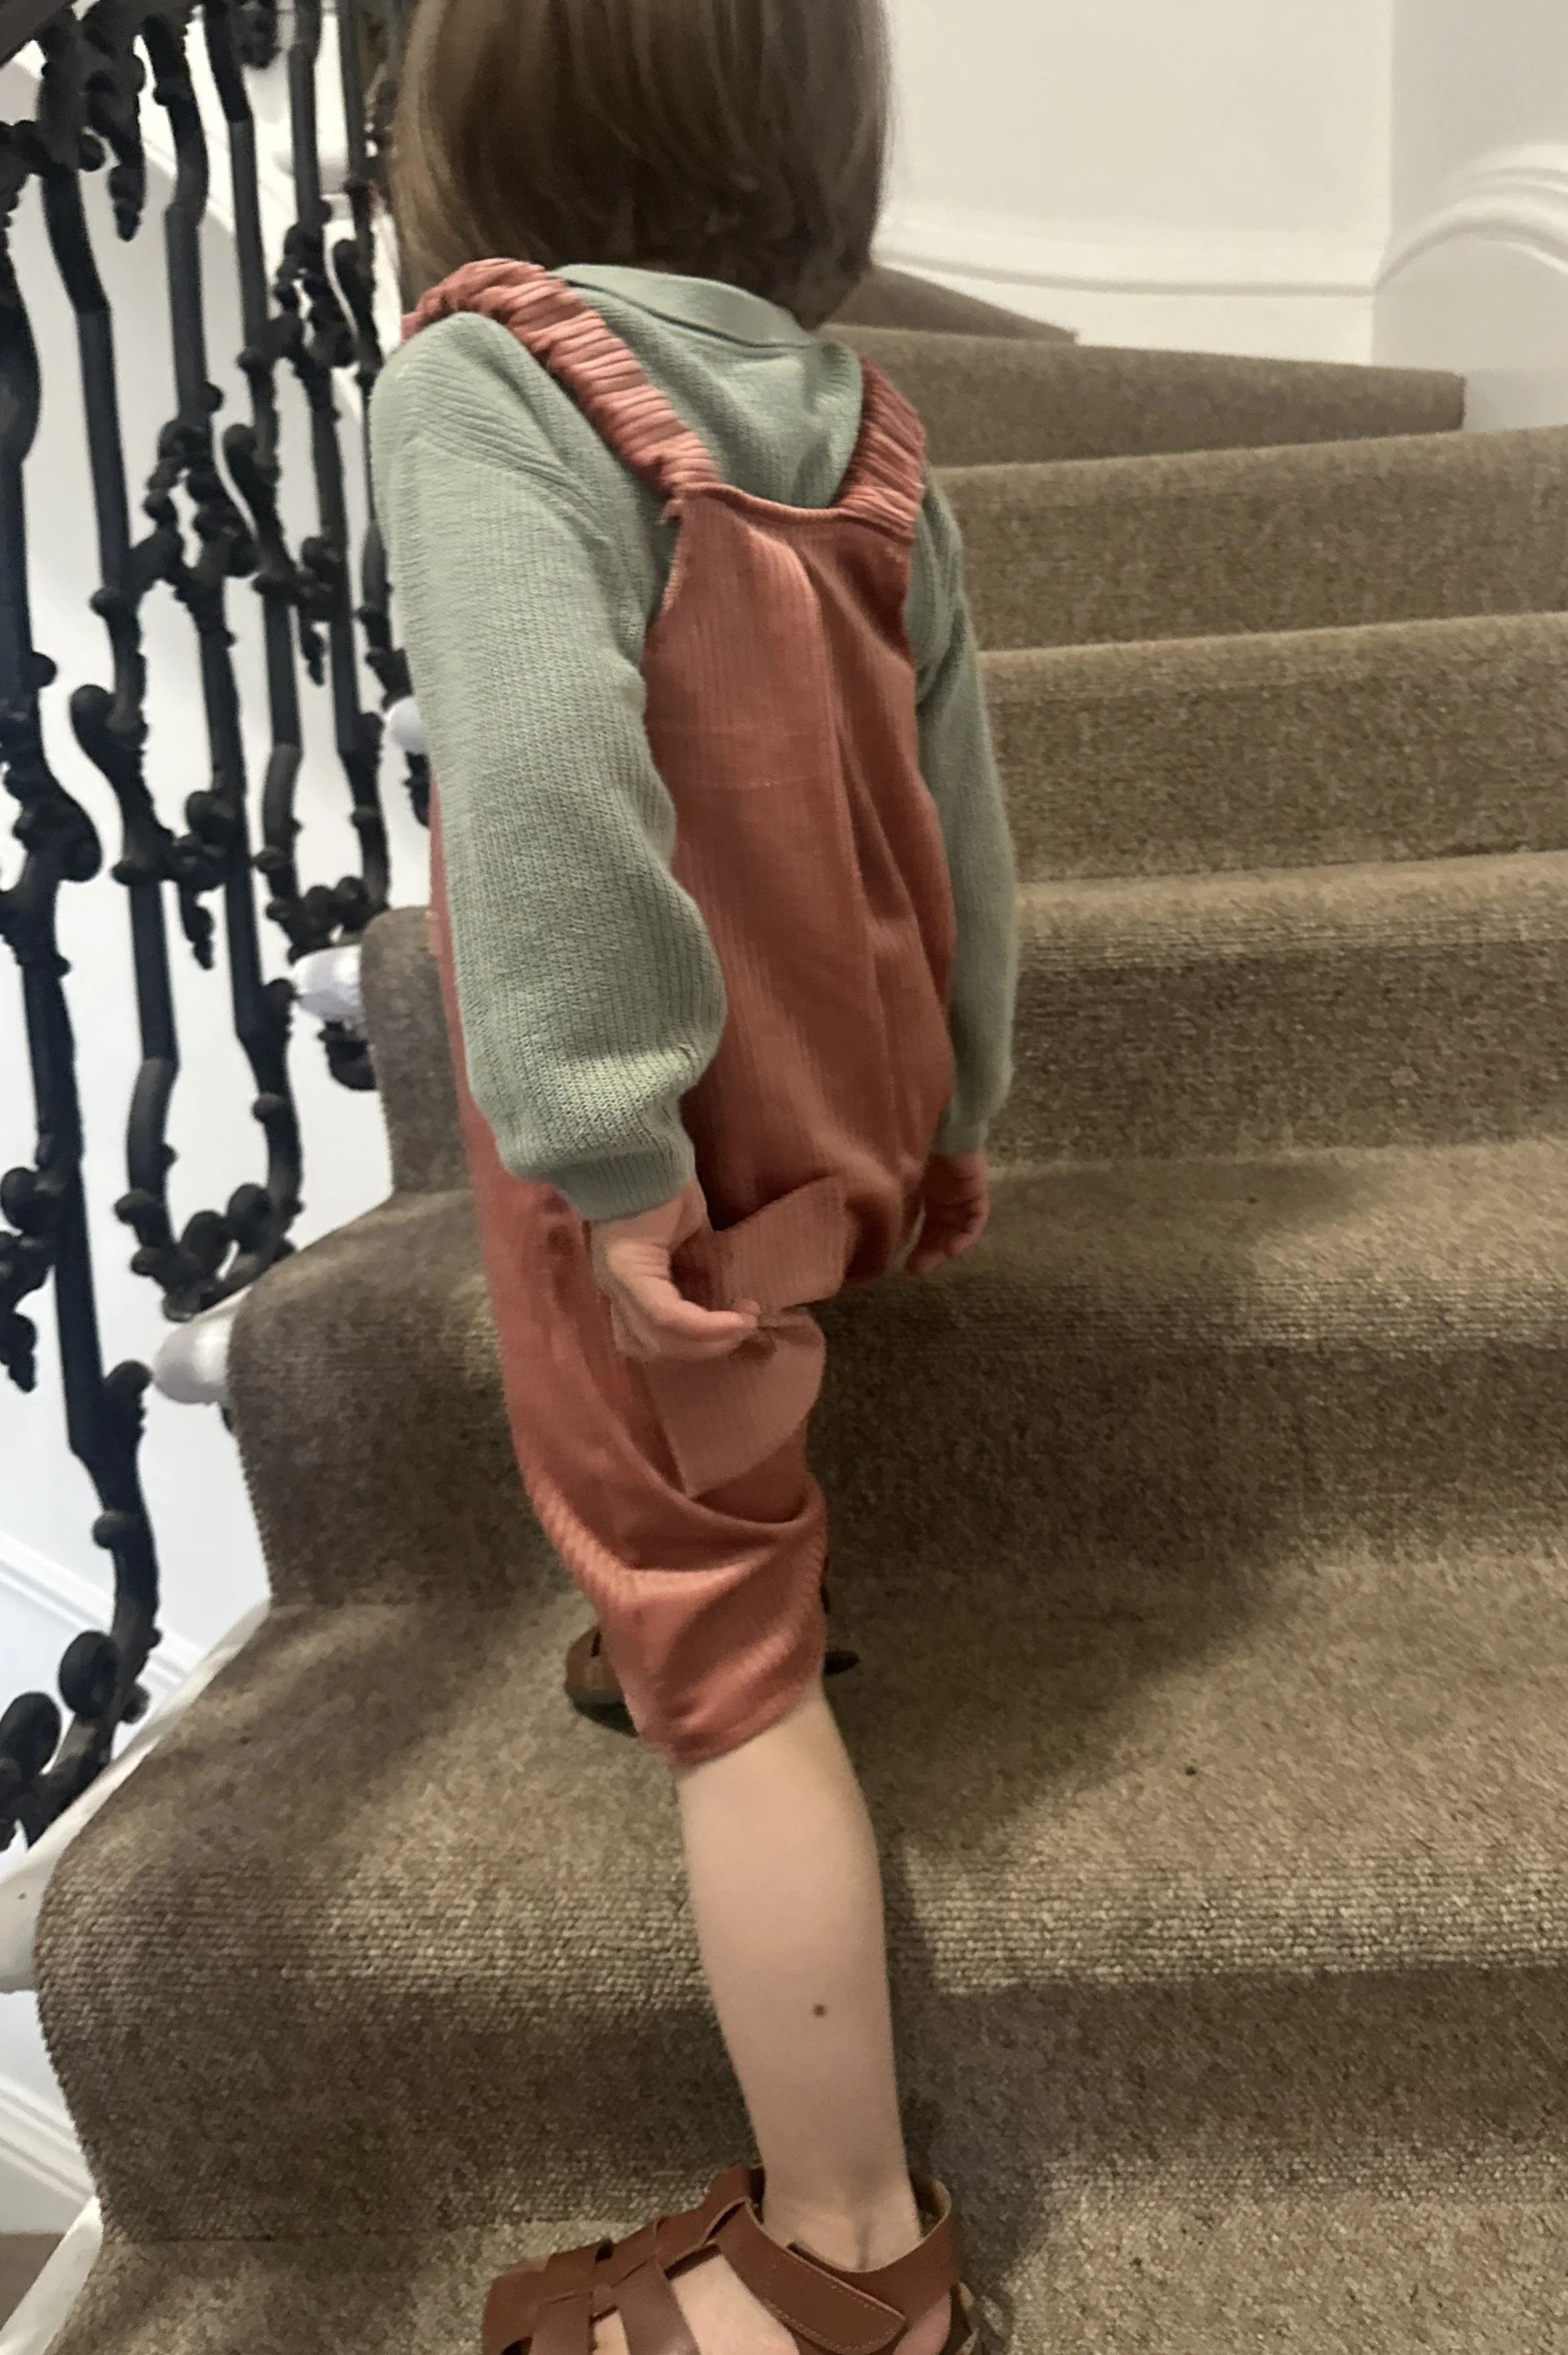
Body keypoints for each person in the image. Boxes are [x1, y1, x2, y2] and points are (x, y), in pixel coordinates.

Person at [370, 1, 1018, 2346]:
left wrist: (601, 1142)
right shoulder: (865, 427)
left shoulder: (489, 380)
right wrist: (959, 1111)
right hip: (835, 1104)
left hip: (656, 1152)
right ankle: (717, 1572)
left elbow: (542, 759)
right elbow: (961, 812)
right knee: (722, 1485)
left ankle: (848, 2262)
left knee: (730, 1678)